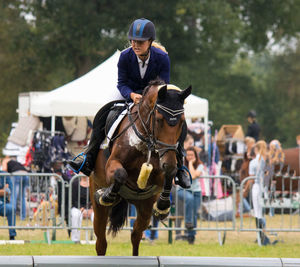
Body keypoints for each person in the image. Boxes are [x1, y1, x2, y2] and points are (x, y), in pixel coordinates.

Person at [68, 18, 191, 201]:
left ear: (149, 42)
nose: (135, 44)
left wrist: (147, 99)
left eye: (140, 42)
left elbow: (162, 85)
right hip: (127, 92)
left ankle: (179, 165)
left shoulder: (162, 57)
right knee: (103, 113)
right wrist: (132, 96)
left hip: (153, 96)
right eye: (133, 41)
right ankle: (89, 155)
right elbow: (121, 83)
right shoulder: (125, 56)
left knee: (176, 119)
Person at [177, 146, 204, 244]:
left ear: (195, 156)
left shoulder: (200, 165)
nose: (189, 157)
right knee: (190, 199)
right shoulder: (181, 165)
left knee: (195, 213)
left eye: (191, 155)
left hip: (196, 191)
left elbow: (193, 175)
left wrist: (191, 164)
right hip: (182, 190)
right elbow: (191, 176)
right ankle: (188, 222)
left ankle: (191, 236)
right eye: (187, 155)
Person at [249, 140, 271, 245]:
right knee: (261, 212)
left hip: (257, 186)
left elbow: (251, 178)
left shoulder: (253, 162)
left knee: (257, 212)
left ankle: (260, 235)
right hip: (264, 187)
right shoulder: (266, 160)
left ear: (256, 149)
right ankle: (263, 233)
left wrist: (245, 189)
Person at [1, 156, 29, 220]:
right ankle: (23, 217)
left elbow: (4, 170)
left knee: (13, 197)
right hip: (26, 174)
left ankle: (11, 216)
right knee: (22, 197)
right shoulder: (14, 161)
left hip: (16, 175)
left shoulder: (5, 160)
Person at [70, 175, 94, 243]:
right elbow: (73, 199)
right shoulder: (74, 183)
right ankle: (76, 239)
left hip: (90, 208)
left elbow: (95, 197)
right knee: (76, 215)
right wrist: (81, 208)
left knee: (96, 216)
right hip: (77, 207)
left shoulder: (93, 183)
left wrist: (92, 208)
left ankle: (99, 239)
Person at [0, 166, 16, 240]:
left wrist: (5, 190)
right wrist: (3, 189)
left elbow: (8, 191)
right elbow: (5, 190)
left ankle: (12, 236)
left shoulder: (4, 175)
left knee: (11, 209)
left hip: (2, 204)